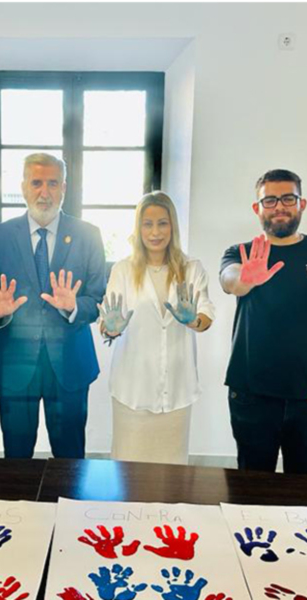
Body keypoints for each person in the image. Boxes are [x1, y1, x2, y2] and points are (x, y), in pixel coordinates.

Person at [220, 169, 307, 475]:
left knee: (306, 488)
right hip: (251, 393)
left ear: (301, 204)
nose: (279, 206)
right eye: (269, 200)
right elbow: (230, 281)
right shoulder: (241, 253)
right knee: (251, 487)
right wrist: (246, 278)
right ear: (257, 208)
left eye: (288, 199)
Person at [0, 153, 107, 458]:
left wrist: (74, 307)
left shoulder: (89, 235)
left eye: (53, 183)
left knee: (71, 460)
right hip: (15, 366)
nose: (44, 192)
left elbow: (97, 300)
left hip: (70, 365)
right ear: (23, 187)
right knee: (17, 460)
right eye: (36, 183)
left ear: (64, 188)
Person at [100, 192, 215, 465]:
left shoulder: (191, 268)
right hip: (133, 389)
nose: (155, 232)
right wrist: (112, 329)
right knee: (128, 472)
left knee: (171, 475)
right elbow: (107, 322)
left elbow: (206, 316)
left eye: (162, 223)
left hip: (176, 389)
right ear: (138, 228)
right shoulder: (123, 270)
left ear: (172, 226)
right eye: (147, 224)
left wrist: (192, 320)